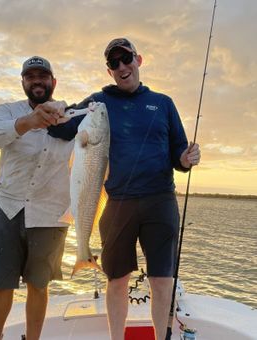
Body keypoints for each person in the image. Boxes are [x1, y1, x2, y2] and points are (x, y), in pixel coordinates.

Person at [48, 38, 201, 340]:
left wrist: (186, 159)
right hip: (116, 202)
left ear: (138, 60)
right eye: (113, 63)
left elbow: (179, 154)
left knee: (161, 281)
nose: (122, 66)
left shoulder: (163, 103)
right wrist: (56, 109)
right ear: (109, 71)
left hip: (160, 201)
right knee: (116, 280)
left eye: (126, 58)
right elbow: (63, 127)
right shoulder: (98, 103)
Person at [0, 56, 72, 340]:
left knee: (39, 285)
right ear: (23, 82)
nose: (36, 81)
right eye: (30, 76)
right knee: (0, 285)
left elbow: (96, 143)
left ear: (53, 82)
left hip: (50, 214)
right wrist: (28, 122)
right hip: (7, 207)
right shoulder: (7, 111)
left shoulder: (72, 117)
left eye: (42, 76)